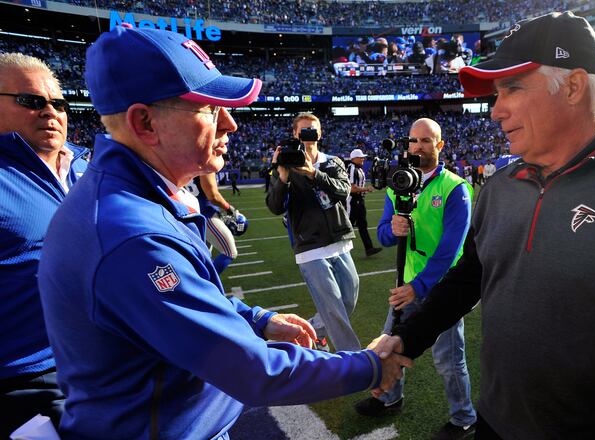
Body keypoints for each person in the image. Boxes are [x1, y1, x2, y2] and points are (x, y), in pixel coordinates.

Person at [37, 26, 410, 439]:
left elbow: (190, 302)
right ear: (144, 122)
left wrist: (257, 318)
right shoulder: (129, 234)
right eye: (210, 109)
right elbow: (253, 372)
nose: (231, 123)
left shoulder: (135, 200)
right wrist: (371, 364)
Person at [368, 12, 595, 439]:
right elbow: (471, 278)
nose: (495, 111)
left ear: (573, 86)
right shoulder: (499, 187)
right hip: (494, 423)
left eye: (512, 88)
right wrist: (406, 339)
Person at [355, 118, 476, 439]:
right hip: (406, 284)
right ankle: (391, 399)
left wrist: (418, 286)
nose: (418, 147)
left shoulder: (455, 188)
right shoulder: (400, 184)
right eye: (413, 140)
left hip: (443, 290)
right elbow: (383, 234)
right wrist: (393, 230)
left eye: (426, 140)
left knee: (449, 361)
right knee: (387, 347)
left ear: (440, 145)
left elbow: (451, 249)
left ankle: (464, 417)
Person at [0, 53, 89, 438]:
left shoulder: (92, 167)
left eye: (59, 103)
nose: (50, 112)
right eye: (31, 101)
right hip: (30, 378)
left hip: (108, 361)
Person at [267, 112, 362, 352]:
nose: (309, 135)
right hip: (309, 247)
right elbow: (275, 206)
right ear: (294, 134)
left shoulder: (333, 161)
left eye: (313, 130)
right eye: (303, 131)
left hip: (339, 240)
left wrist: (313, 173)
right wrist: (283, 177)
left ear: (320, 133)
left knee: (347, 302)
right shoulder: (284, 164)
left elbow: (343, 191)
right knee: (333, 310)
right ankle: (352, 362)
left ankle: (302, 334)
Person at [185, 172, 245, 273]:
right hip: (205, 213)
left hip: (192, 212)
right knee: (230, 252)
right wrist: (229, 208)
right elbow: (213, 196)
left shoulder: (187, 162)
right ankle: (207, 284)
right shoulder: (205, 162)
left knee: (204, 256)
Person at [347, 148, 382, 257]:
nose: (363, 159)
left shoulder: (358, 169)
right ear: (354, 158)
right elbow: (352, 188)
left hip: (359, 200)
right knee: (348, 226)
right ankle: (337, 250)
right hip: (352, 200)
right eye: (361, 157)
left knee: (362, 225)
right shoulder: (352, 168)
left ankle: (369, 248)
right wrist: (366, 189)